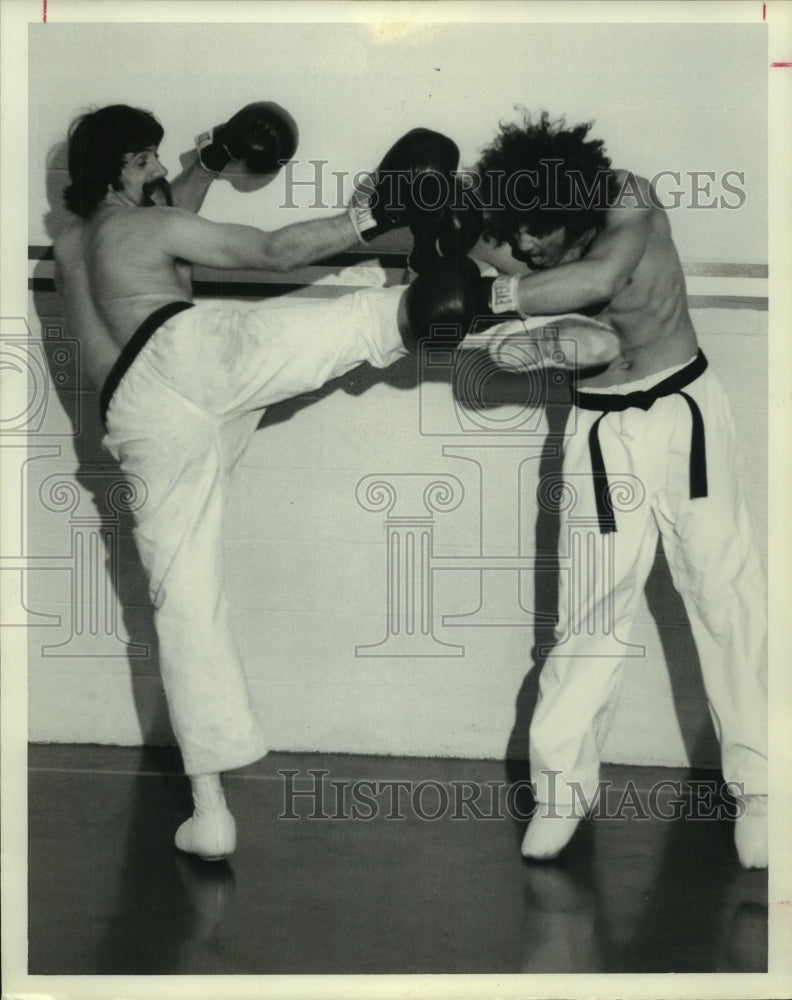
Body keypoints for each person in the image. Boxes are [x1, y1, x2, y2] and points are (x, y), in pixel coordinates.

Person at [53, 102, 482, 861]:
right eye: (145, 159)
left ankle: (210, 812)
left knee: (183, 602)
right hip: (183, 354)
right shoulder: (140, 228)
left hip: (137, 418)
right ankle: (413, 307)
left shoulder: (74, 243)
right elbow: (276, 252)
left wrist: (210, 161)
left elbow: (155, 221)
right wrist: (381, 211)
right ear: (116, 171)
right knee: (331, 330)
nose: (161, 169)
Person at [470, 112, 768, 869]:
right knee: (588, 614)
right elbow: (473, 264)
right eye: (517, 231)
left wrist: (496, 297)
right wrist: (428, 241)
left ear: (575, 212)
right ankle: (562, 793)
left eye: (538, 232)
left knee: (725, 597)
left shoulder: (629, 199)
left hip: (683, 415)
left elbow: (597, 280)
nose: (525, 246)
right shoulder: (524, 229)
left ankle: (767, 792)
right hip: (599, 431)